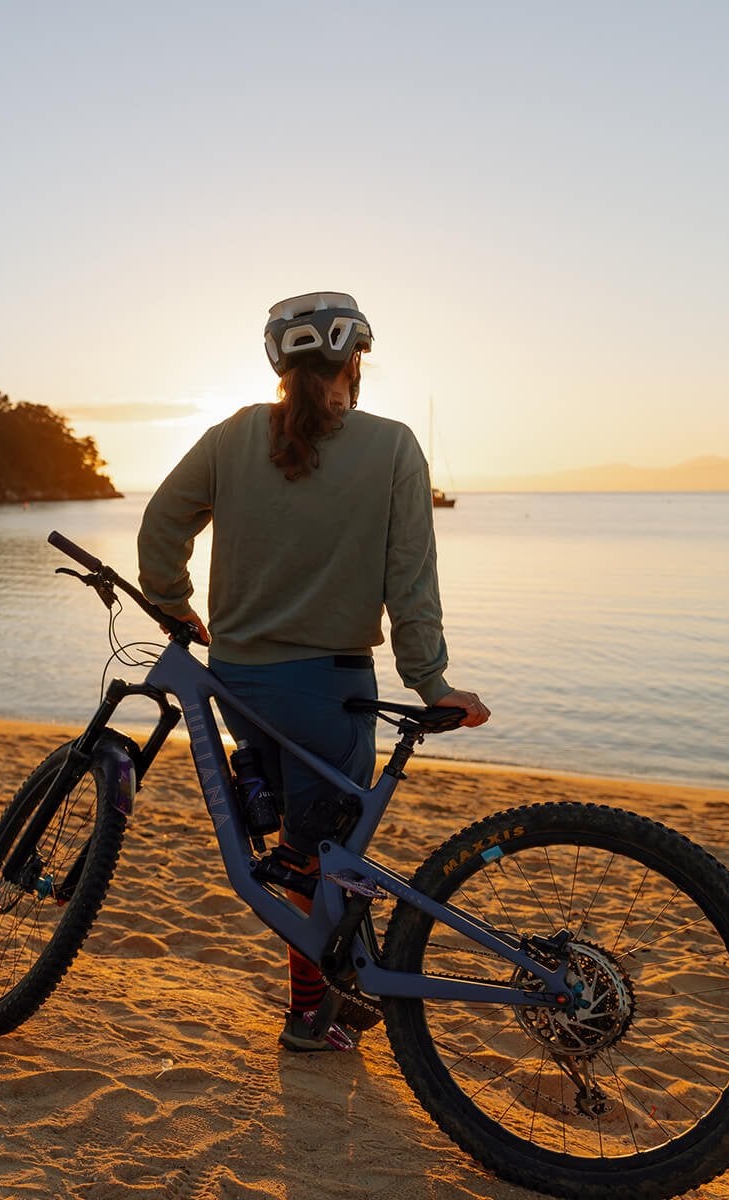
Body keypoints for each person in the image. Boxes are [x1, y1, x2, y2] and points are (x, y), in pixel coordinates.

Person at [137, 290, 488, 1052]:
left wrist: (173, 604)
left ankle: (322, 995)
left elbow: (163, 523)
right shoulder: (392, 447)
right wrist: (431, 682)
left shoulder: (233, 437)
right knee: (323, 862)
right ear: (354, 364)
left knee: (298, 854)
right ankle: (309, 1014)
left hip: (237, 683)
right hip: (329, 691)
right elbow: (411, 583)